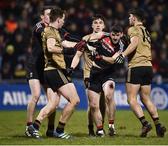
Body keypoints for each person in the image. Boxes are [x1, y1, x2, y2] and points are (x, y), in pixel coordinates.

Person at [27, 7, 81, 139]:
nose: (63, 22)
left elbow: (65, 42)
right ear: (58, 19)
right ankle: (59, 130)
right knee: (74, 100)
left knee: (53, 103)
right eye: (62, 19)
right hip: (54, 69)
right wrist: (65, 51)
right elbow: (51, 47)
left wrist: (77, 45)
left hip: (50, 70)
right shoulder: (50, 31)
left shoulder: (54, 31)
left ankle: (34, 127)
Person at [115, 8, 166, 137]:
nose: (128, 19)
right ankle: (158, 125)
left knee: (131, 99)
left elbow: (135, 43)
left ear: (134, 18)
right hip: (148, 66)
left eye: (130, 16)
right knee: (146, 98)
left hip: (136, 66)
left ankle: (145, 124)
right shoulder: (146, 30)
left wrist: (123, 54)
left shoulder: (132, 29)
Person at [69, 14, 107, 136]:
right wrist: (71, 68)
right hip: (89, 74)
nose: (98, 25)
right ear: (92, 25)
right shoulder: (85, 39)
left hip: (105, 74)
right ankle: (92, 128)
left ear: (104, 25)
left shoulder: (108, 38)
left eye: (100, 23)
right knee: (93, 104)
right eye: (95, 22)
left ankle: (102, 126)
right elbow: (77, 56)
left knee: (103, 104)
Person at [86, 24, 125, 137]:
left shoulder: (122, 46)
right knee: (93, 104)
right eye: (113, 34)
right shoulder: (103, 37)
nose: (115, 37)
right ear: (110, 33)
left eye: (117, 35)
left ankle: (111, 126)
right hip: (95, 73)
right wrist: (89, 46)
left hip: (108, 74)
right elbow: (89, 40)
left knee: (108, 96)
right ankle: (99, 130)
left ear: (121, 35)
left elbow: (113, 60)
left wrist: (101, 57)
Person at [25, 6, 57, 137]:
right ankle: (29, 127)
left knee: (53, 100)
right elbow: (42, 33)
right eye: (48, 14)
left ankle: (50, 129)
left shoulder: (54, 29)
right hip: (34, 65)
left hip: (46, 67)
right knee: (36, 95)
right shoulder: (39, 27)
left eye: (52, 14)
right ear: (42, 17)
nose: (50, 16)